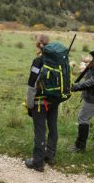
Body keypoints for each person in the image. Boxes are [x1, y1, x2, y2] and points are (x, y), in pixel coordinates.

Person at [25, 34, 60, 172]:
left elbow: (32, 83)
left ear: (38, 44)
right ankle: (50, 156)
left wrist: (29, 104)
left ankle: (38, 162)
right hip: (54, 99)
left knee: (40, 130)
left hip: (40, 101)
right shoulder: (56, 61)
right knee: (53, 126)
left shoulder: (38, 61)